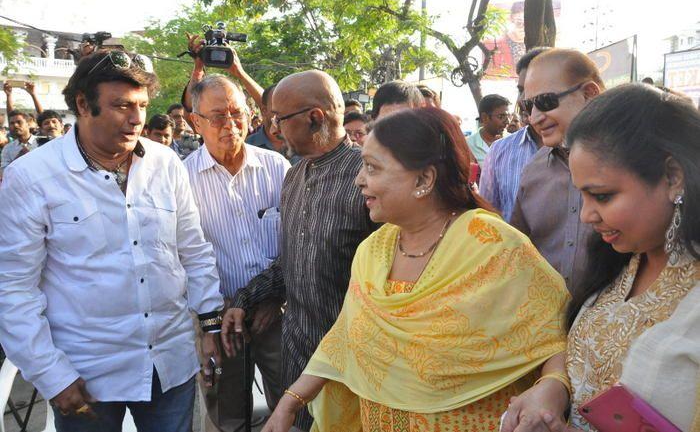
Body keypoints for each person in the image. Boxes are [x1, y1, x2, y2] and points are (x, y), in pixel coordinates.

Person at [260, 107, 571, 432]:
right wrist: (290, 402)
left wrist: (552, 386)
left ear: (423, 179)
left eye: (372, 168)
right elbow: (346, 338)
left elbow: (554, 333)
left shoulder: (492, 246)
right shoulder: (374, 252)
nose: (359, 179)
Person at [0, 50, 224, 432]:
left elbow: (193, 248)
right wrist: (52, 374)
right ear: (84, 105)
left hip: (169, 366)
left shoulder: (165, 163)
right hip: (86, 375)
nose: (137, 119)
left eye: (142, 105)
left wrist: (212, 325)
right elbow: (14, 288)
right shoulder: (32, 177)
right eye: (121, 106)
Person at [520, 84, 700, 432]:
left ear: (673, 176)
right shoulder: (620, 262)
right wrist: (553, 389)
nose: (587, 215)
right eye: (583, 196)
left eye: (602, 196)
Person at [221, 70, 376, 431]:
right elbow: (290, 263)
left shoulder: (367, 178)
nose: (272, 128)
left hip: (351, 368)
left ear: (314, 118)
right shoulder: (293, 176)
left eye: (279, 119)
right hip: (298, 359)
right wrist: (244, 299)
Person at [185, 75, 290, 431]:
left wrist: (274, 299)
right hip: (218, 319)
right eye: (217, 116)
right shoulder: (181, 180)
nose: (229, 124)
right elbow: (184, 257)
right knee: (228, 415)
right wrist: (211, 322)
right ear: (195, 122)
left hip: (275, 313)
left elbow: (295, 241)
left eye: (237, 113)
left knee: (291, 404)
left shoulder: (277, 168)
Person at [510, 48, 604, 291]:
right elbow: (519, 253)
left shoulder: (637, 161)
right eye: (529, 106)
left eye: (545, 102)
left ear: (589, 94)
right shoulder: (535, 170)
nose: (534, 117)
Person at [479, 48, 547, 222]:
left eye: (535, 89)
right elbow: (489, 218)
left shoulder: (586, 150)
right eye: (520, 89)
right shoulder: (499, 151)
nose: (523, 100)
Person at [466, 94, 510, 166]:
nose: (507, 121)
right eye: (501, 116)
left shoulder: (514, 142)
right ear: (485, 117)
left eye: (508, 116)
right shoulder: (469, 145)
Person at [247, 84, 288, 156]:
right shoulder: (248, 146)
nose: (283, 108)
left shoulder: (303, 142)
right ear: (264, 111)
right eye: (276, 104)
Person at [1, 110, 38, 176]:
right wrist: (18, 159)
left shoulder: (42, 142)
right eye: (12, 123)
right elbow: (4, 173)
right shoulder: (8, 149)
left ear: (28, 124)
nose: (15, 125)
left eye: (19, 122)